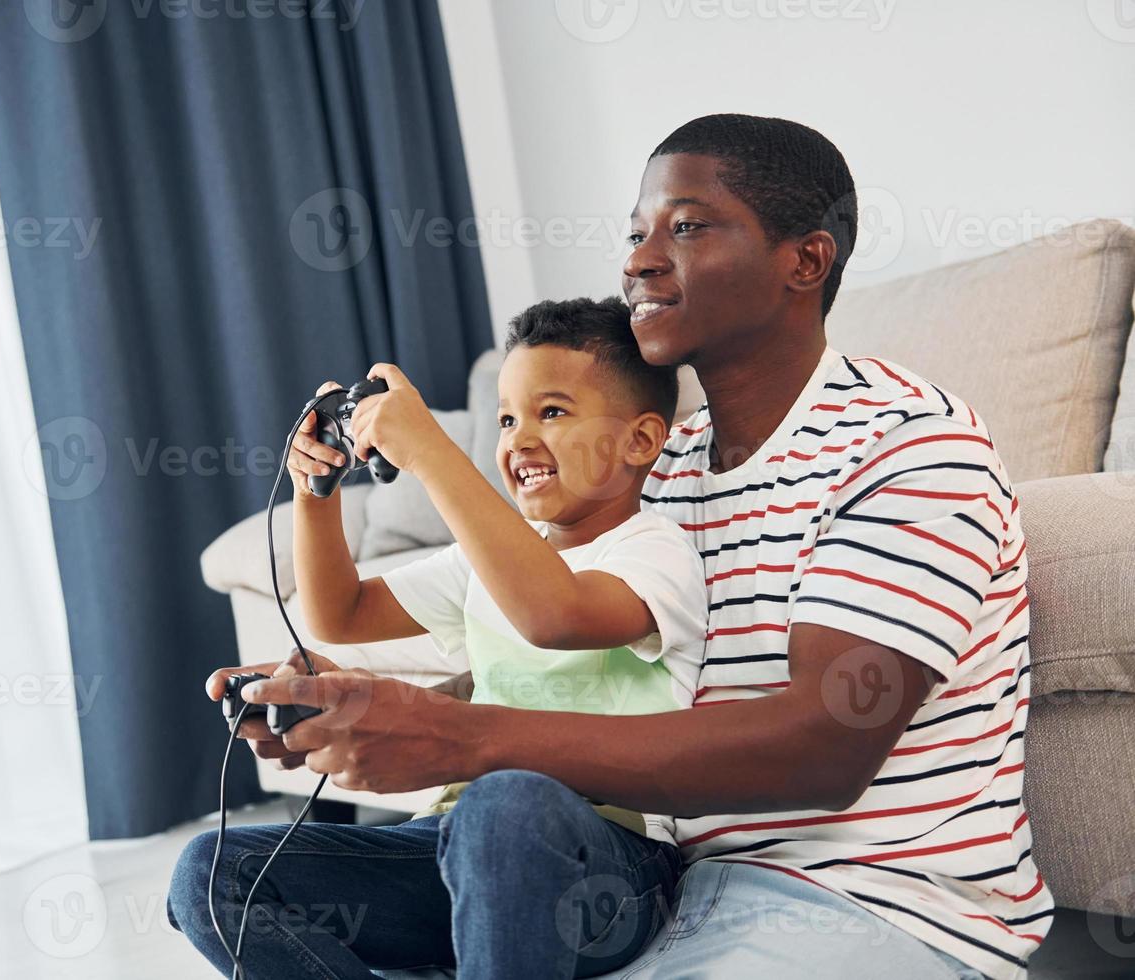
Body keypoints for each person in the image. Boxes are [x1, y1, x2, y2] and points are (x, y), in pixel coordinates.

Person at [177, 114, 1050, 980]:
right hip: (673, 891)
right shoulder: (655, 476)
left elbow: (828, 745)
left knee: (508, 805)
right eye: (635, 232)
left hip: (866, 900)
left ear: (805, 262)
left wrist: (461, 736)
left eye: (689, 226)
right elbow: (553, 673)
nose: (637, 259)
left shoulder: (910, 448)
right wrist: (360, 705)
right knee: (225, 876)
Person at [167, 296, 708, 977]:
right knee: (211, 874)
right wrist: (316, 492)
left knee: (504, 802)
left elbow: (556, 614)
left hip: (612, 867)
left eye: (553, 412)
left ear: (641, 440)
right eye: (508, 418)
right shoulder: (486, 560)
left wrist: (431, 453)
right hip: (451, 849)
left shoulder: (653, 552)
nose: (518, 438)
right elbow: (340, 613)